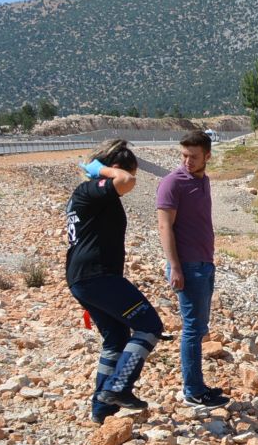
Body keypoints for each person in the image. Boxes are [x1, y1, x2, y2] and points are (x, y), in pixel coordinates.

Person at [65, 140, 164, 421]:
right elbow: (126, 180)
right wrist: (104, 170)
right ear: (113, 167)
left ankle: (102, 409)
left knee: (116, 337)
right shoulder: (90, 191)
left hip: (86, 278)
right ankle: (118, 387)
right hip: (96, 276)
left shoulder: (92, 196)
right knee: (149, 325)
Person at [156, 129, 227, 408]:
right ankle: (193, 391)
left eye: (194, 156)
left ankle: (197, 386)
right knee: (192, 328)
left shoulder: (204, 180)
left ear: (207, 156)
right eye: (184, 155)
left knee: (199, 328)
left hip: (204, 263)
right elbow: (164, 226)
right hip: (186, 266)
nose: (188, 161)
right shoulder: (172, 183)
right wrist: (174, 266)